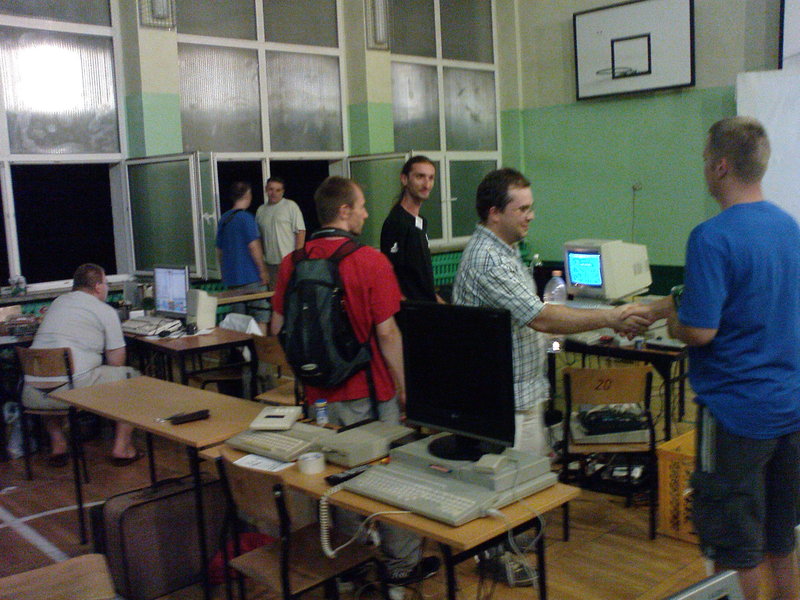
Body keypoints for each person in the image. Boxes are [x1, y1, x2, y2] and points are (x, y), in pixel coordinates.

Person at [452, 168, 648, 586]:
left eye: (531, 207)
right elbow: (540, 317)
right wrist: (612, 316)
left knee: (522, 481)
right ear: (494, 213)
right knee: (503, 484)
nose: (531, 215)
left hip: (519, 390)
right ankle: (495, 558)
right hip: (503, 396)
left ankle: (509, 544)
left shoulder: (505, 250)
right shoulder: (488, 259)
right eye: (522, 208)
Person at [638, 117, 800, 600]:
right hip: (791, 411)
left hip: (735, 417)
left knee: (735, 550)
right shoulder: (789, 228)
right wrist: (670, 304)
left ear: (722, 166)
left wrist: (672, 322)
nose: (705, 167)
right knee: (781, 539)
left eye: (706, 158)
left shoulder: (710, 237)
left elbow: (700, 330)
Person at [270, 176, 439, 593]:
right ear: (343, 211)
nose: (365, 213)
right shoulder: (370, 261)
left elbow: (277, 328)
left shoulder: (292, 262)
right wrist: (405, 388)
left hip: (317, 398)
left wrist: (313, 371)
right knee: (390, 479)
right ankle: (401, 566)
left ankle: (350, 562)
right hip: (369, 392)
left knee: (337, 479)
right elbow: (388, 334)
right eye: (361, 206)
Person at [21, 263, 141, 467]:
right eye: (106, 283)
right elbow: (116, 363)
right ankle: (122, 448)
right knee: (131, 379)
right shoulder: (104, 311)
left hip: (33, 393)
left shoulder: (58, 302)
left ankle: (58, 443)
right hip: (69, 390)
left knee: (51, 378)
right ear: (98, 287)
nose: (107, 287)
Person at [380, 156, 442, 302]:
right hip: (413, 310)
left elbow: (421, 277)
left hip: (428, 305)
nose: (427, 184)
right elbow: (391, 276)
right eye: (420, 177)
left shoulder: (421, 222)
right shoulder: (396, 223)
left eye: (431, 178)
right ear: (404, 179)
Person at [216, 181, 268, 291]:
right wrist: (263, 271)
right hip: (250, 275)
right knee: (257, 302)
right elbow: (254, 247)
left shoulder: (224, 219)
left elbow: (219, 251)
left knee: (236, 302)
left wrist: (224, 272)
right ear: (247, 195)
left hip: (231, 277)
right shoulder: (246, 218)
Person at [255, 176, 306, 289]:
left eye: (278, 190)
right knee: (274, 295)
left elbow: (300, 232)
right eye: (271, 189)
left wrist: (297, 258)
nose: (274, 193)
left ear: (283, 191)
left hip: (288, 261)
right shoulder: (261, 210)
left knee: (290, 294)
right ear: (266, 189)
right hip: (270, 264)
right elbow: (259, 238)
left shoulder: (291, 206)